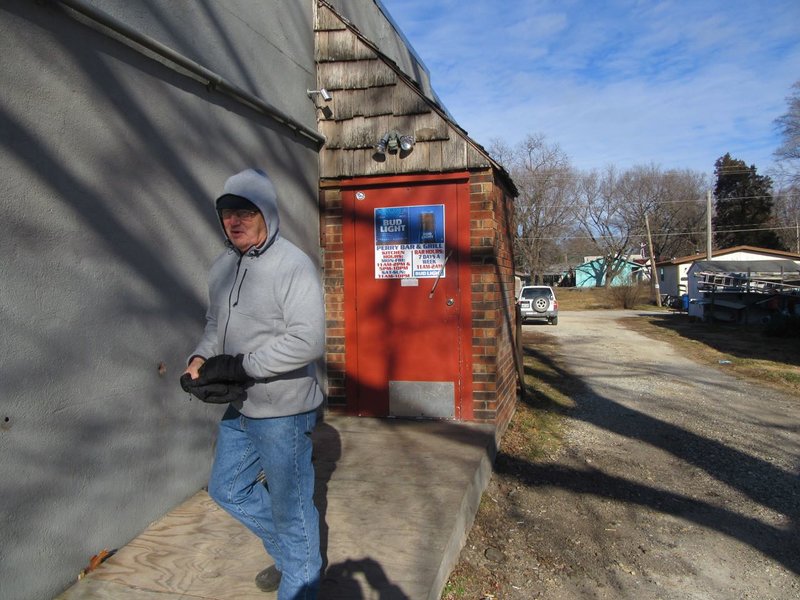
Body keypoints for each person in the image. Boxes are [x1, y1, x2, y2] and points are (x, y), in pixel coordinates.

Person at [180, 168, 325, 598]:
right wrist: (201, 358)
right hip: (241, 404)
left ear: (267, 214)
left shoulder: (292, 265)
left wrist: (243, 366)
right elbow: (214, 324)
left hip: (284, 410)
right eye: (227, 214)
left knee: (292, 512)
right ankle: (292, 557)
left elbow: (309, 340)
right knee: (228, 489)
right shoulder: (222, 267)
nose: (235, 221)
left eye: (245, 212)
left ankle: (300, 570)